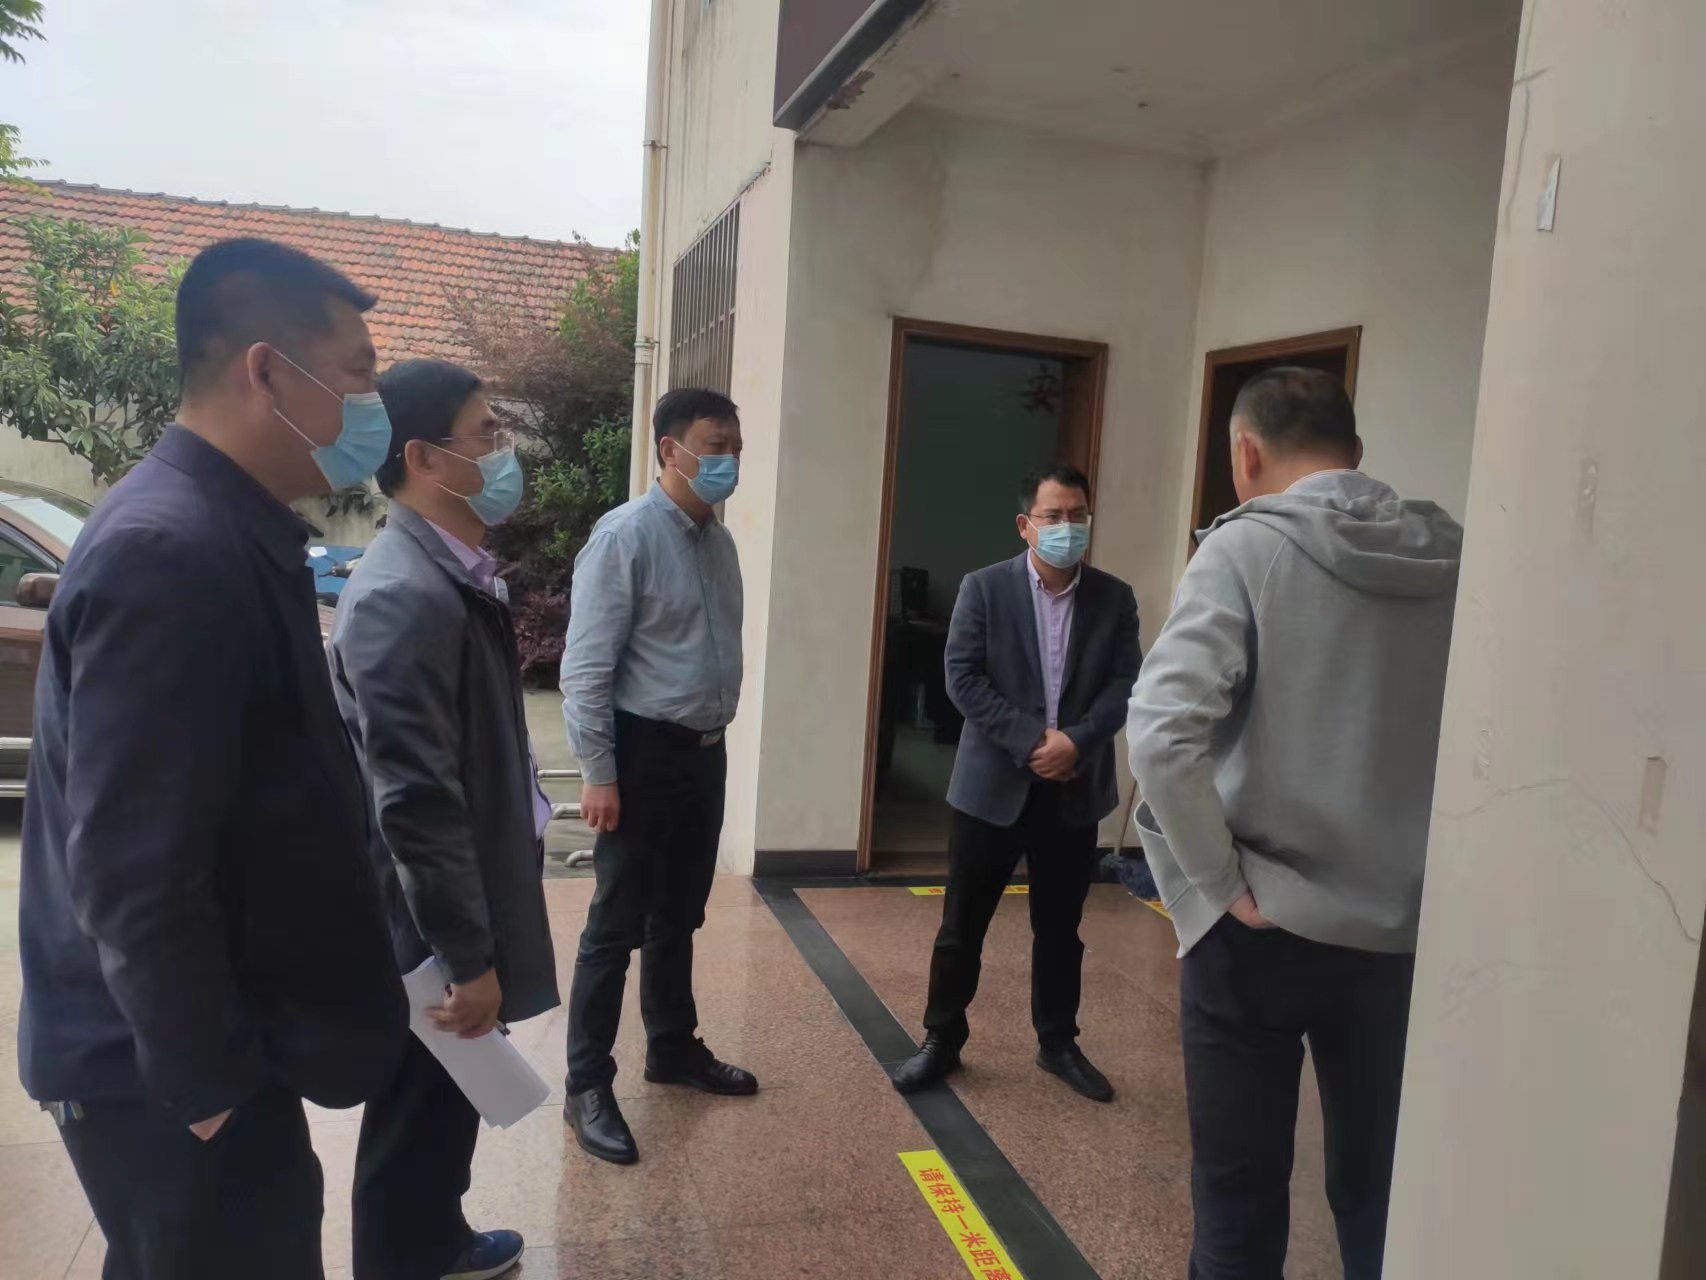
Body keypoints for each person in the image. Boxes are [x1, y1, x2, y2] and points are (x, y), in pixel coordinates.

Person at [16, 238, 408, 1279]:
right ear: (267, 371)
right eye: (358, 371)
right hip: (169, 1071)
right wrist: (210, 1089)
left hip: (210, 1045)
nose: (372, 404)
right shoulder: (171, 549)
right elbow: (132, 869)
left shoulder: (221, 525)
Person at [1127, 367, 1462, 1280]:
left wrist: (1217, 883)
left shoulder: (1245, 549)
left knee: (1239, 1207)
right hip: (1402, 930)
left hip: (1262, 926)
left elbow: (1160, 735)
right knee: (1383, 1195)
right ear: (1356, 452)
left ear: (1245, 452)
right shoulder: (1454, 555)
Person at [330, 359, 559, 1280]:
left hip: (463, 897)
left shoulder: (453, 574)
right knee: (417, 1108)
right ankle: (405, 1257)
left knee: (446, 1098)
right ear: (424, 458)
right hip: (430, 925)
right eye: (487, 433)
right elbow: (416, 803)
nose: (503, 452)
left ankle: (438, 1239)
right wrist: (468, 958)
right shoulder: (404, 595)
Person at [892, 464, 1141, 1102]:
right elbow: (962, 677)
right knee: (961, 926)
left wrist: (1076, 741)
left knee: (1060, 929)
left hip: (1075, 785)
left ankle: (1058, 1043)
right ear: (1025, 525)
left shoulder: (1114, 598)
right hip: (992, 787)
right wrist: (1032, 741)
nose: (1067, 527)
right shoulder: (984, 588)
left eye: (1078, 515)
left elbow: (1125, 684)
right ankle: (942, 1040)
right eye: (1054, 516)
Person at [560, 387, 752, 1164]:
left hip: (704, 753)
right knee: (615, 925)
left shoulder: (719, 543)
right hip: (642, 754)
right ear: (670, 450)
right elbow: (585, 671)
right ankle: (586, 1084)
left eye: (736, 447)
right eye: (715, 446)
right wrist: (600, 773)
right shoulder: (624, 537)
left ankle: (672, 1047)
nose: (729, 460)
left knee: (680, 913)